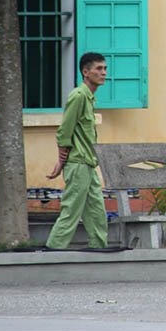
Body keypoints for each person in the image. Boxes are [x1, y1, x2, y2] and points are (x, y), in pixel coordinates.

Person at [45, 52, 109, 249]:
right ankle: (52, 252)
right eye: (99, 69)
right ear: (86, 72)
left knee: (97, 212)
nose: (104, 73)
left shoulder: (89, 98)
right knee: (71, 210)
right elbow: (65, 131)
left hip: (88, 164)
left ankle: (100, 252)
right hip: (78, 163)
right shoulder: (78, 96)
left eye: (105, 69)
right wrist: (61, 160)